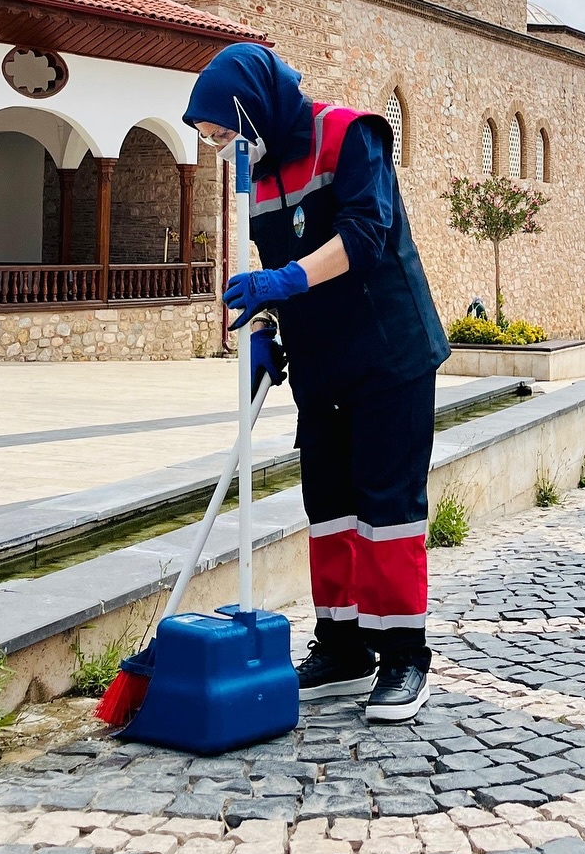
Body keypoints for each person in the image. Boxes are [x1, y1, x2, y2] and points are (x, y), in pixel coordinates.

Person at [184, 43, 450, 723]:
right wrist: (270, 328)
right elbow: (277, 262)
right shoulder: (262, 170)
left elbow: (366, 234)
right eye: (213, 140)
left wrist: (288, 278)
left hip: (389, 352)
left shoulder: (350, 135)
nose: (222, 147)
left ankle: (403, 653)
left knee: (386, 506)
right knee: (328, 501)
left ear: (251, 108)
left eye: (222, 132)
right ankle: (343, 643)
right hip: (322, 360)